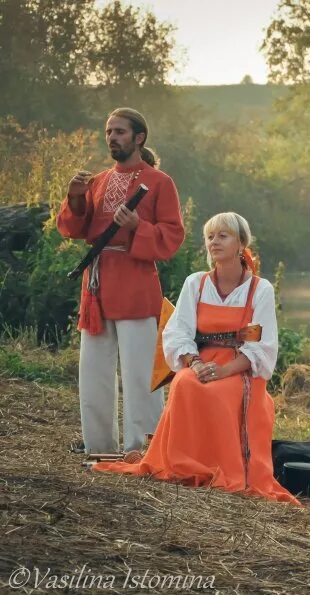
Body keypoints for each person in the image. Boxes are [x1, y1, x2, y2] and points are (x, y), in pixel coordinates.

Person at [95, 212, 297, 503]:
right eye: (210, 237)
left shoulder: (259, 289)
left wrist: (224, 370)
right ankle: (185, 465)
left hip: (239, 369)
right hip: (201, 361)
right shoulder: (196, 283)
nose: (214, 241)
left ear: (241, 243)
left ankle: (223, 468)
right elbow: (178, 332)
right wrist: (197, 364)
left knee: (220, 393)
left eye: (223, 235)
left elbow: (261, 344)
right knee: (185, 384)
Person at [57, 107, 184, 454]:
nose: (112, 137)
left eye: (120, 132)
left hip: (135, 282)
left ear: (139, 138)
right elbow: (73, 229)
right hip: (96, 285)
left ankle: (141, 450)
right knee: (94, 372)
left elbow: (172, 236)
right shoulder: (96, 181)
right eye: (109, 131)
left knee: (141, 373)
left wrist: (136, 228)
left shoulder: (160, 183)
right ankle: (99, 447)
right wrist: (76, 197)